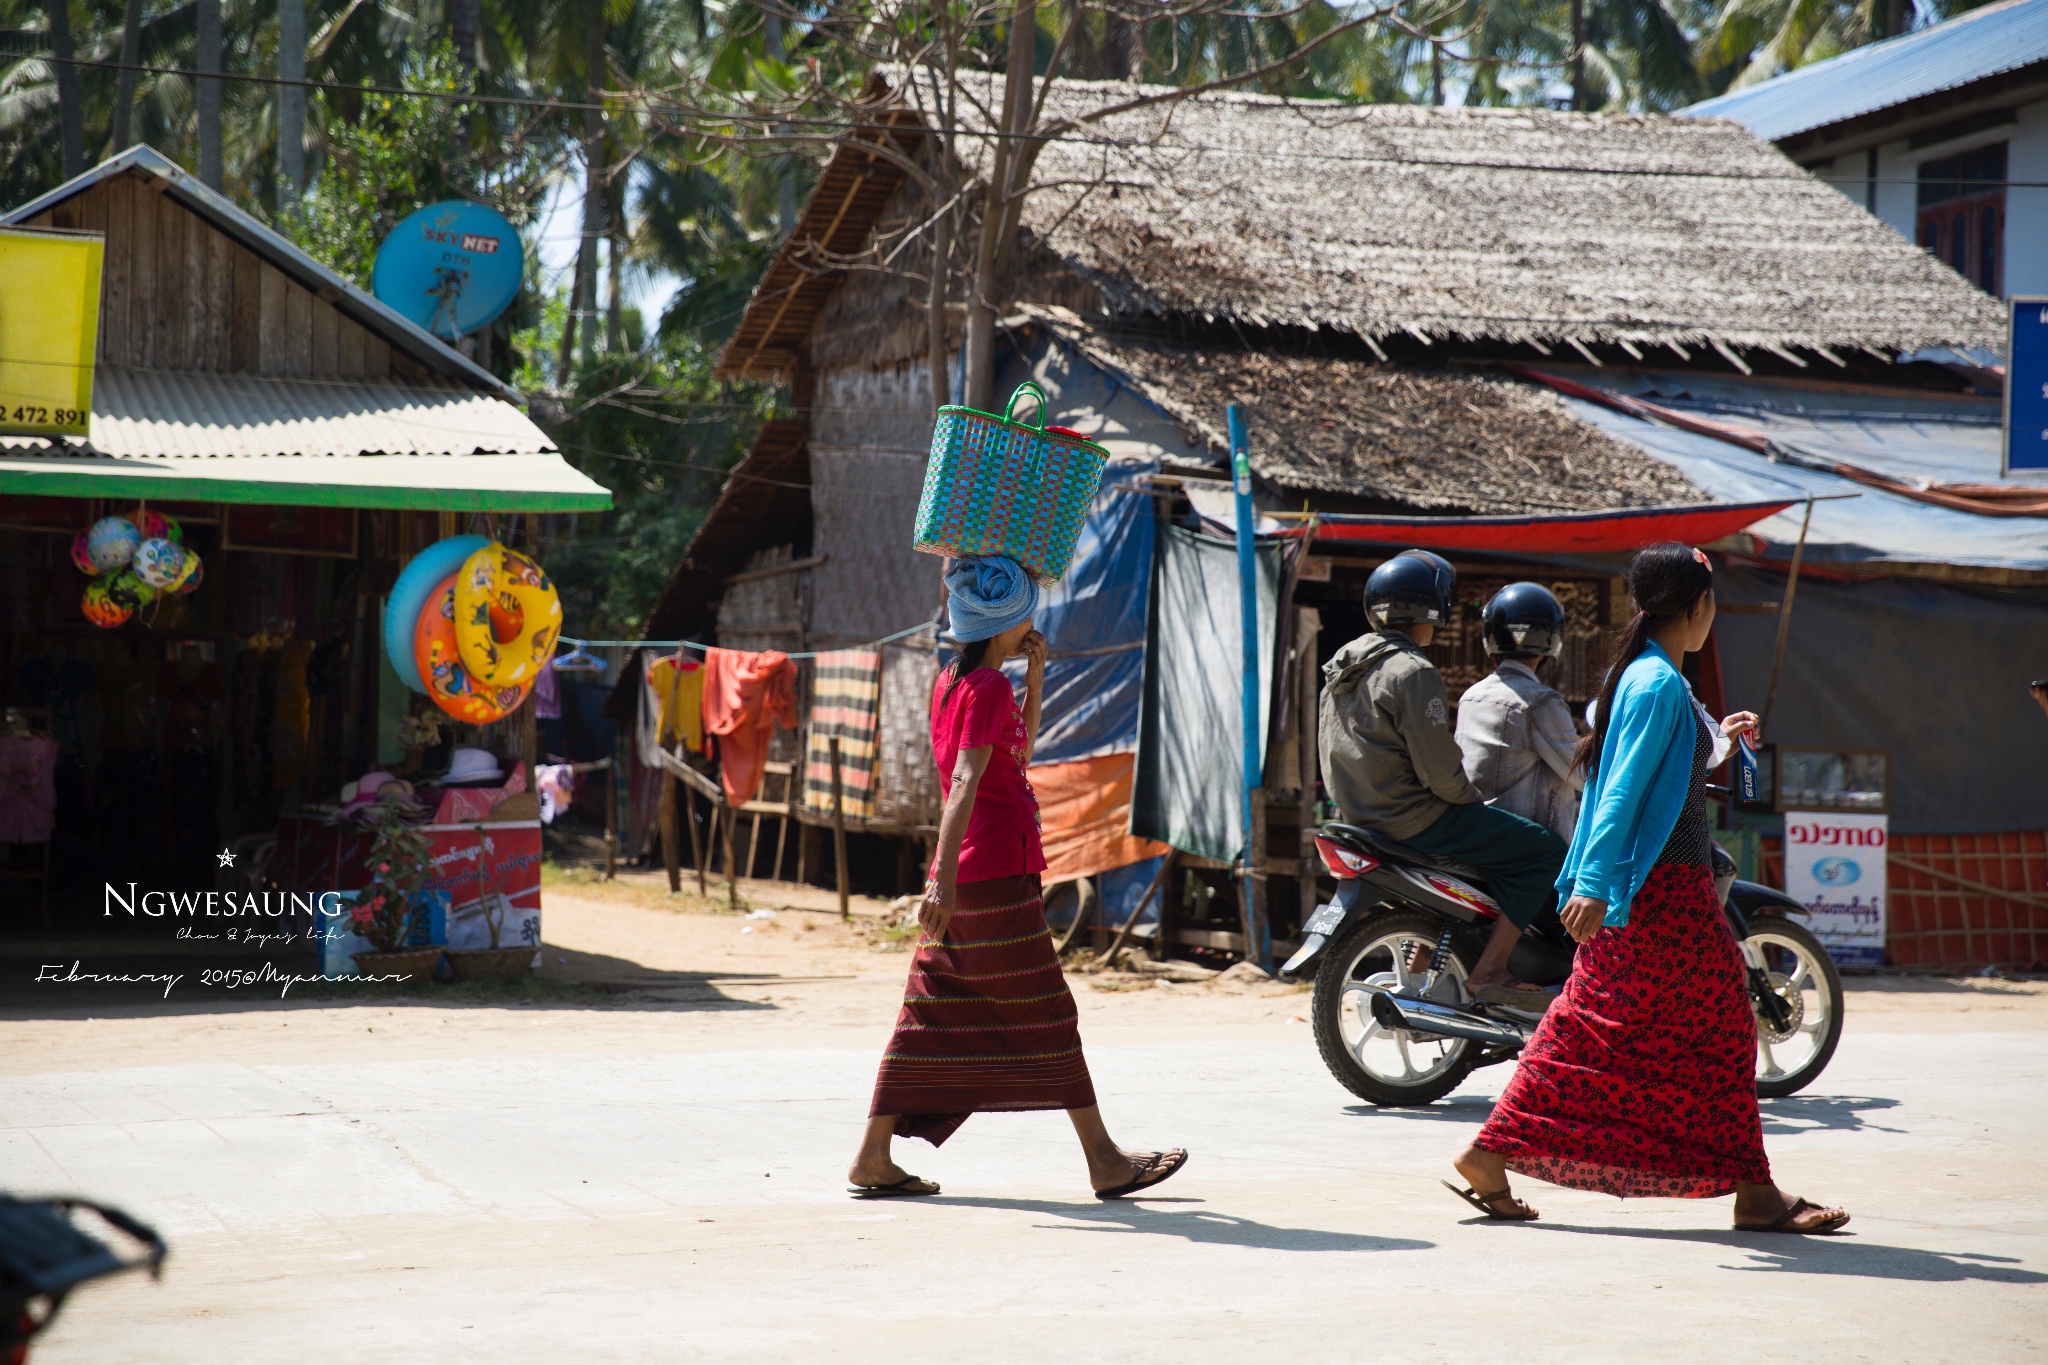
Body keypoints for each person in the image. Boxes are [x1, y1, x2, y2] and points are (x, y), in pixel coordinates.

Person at [1447, 542, 1850, 1234]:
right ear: (1697, 607)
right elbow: (1623, 790)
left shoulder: (1641, 675)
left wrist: (1719, 737)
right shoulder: (1657, 682)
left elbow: (1657, 765)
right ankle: (1753, 1191)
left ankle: (1492, 1151)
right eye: (1712, 603)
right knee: (1711, 1026)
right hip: (1661, 889)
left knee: (1603, 1025)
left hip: (1659, 885)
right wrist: (1597, 882)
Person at [847, 553, 1189, 1201]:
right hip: (992, 874)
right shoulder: (985, 689)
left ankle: (872, 1155)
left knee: (928, 1012)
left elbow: (1017, 751)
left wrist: (1036, 674)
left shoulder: (955, 682)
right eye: (1028, 607)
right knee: (1049, 1012)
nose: (1036, 615)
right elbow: (965, 786)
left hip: (973, 875)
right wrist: (939, 881)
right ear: (1010, 617)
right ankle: (1104, 1160)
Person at [1319, 551, 1567, 997]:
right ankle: (1490, 970)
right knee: (1543, 850)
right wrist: (1475, 806)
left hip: (1359, 816)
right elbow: (1441, 774)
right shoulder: (1413, 672)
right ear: (1435, 610)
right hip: (1413, 818)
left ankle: (1436, 953)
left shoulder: (1343, 665)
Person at [1454, 583, 1584, 844]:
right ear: (1552, 638)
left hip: (1476, 835)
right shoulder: (1541, 702)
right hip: (1528, 845)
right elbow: (1582, 774)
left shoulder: (1470, 697)